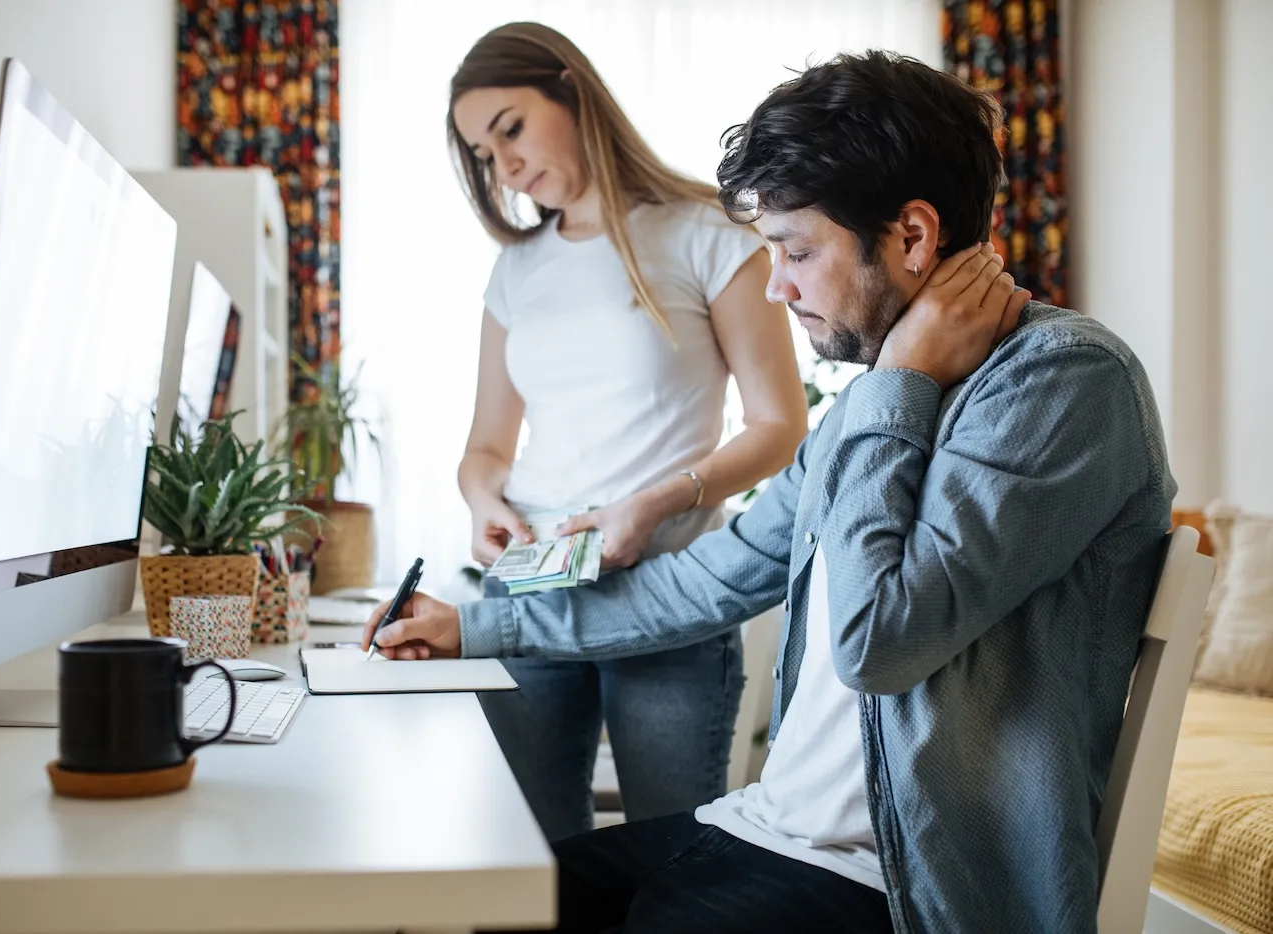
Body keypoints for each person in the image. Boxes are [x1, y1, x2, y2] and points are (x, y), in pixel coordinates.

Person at [370, 50, 1176, 934]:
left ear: (912, 236)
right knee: (481, 902)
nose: (777, 285)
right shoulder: (866, 410)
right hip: (762, 831)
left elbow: (878, 640)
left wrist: (895, 383)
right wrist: (473, 624)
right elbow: (705, 579)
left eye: (796, 250)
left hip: (903, 889)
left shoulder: (1063, 383)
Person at [446, 22, 808, 842]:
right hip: (531, 590)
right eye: (481, 151)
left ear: (572, 89)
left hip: (667, 590)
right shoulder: (516, 271)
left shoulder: (707, 234)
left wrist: (653, 503)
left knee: (668, 857)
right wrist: (481, 504)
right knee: (536, 862)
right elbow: (487, 450)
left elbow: (782, 426)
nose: (502, 165)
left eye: (510, 128)